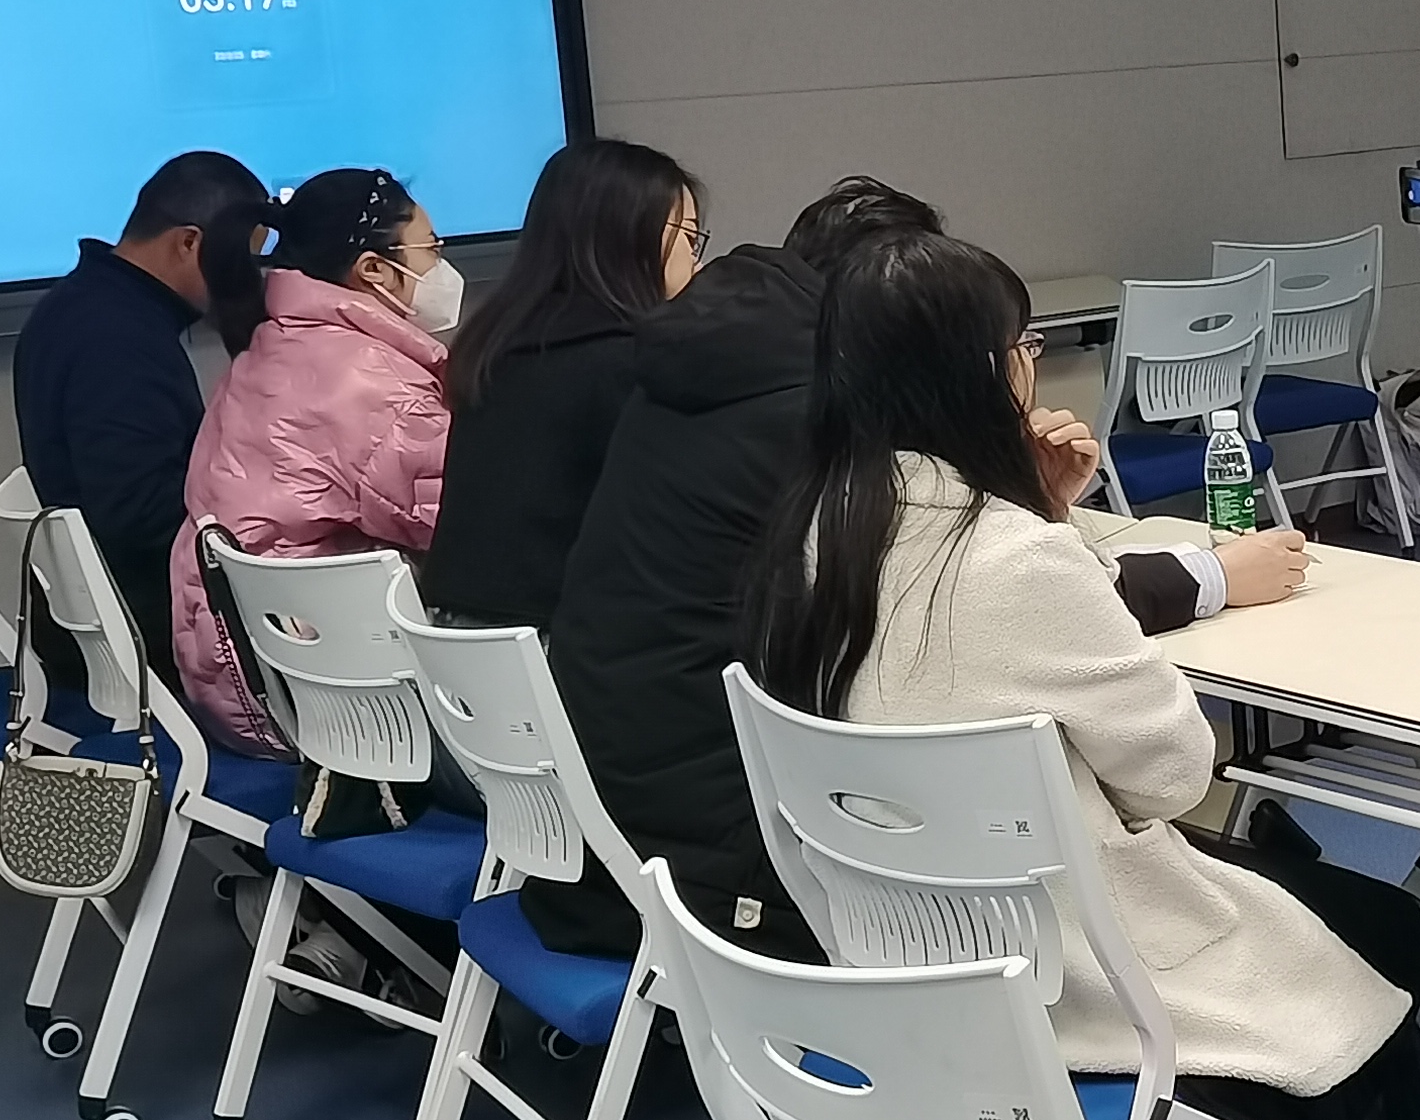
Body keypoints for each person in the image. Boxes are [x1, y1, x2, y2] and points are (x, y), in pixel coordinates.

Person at [743, 229, 1420, 1120]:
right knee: (1379, 930)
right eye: (1022, 345)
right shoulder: (1012, 557)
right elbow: (1173, 776)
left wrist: (1038, 514)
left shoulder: (812, 533)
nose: (1030, 364)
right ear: (983, 374)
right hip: (1064, 978)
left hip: (898, 956)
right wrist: (1043, 529)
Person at [534, 177, 943, 961]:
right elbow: (951, 586)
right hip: (711, 863)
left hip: (605, 810)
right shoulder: (814, 406)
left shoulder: (697, 370)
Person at [169, 168, 455, 757]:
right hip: (327, 703)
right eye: (431, 248)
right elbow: (467, 522)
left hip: (237, 675)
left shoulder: (274, 344)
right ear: (374, 270)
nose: (442, 266)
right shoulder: (371, 383)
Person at [10, 151, 274, 700]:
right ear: (189, 243)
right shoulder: (119, 341)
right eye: (240, 261)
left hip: (99, 618)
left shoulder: (80, 303)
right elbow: (138, 514)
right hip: (144, 628)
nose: (246, 281)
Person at [422, 139, 703, 630]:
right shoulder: (631, 362)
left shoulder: (495, 345)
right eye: (691, 237)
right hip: (557, 644)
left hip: (458, 639)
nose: (697, 262)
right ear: (635, 236)